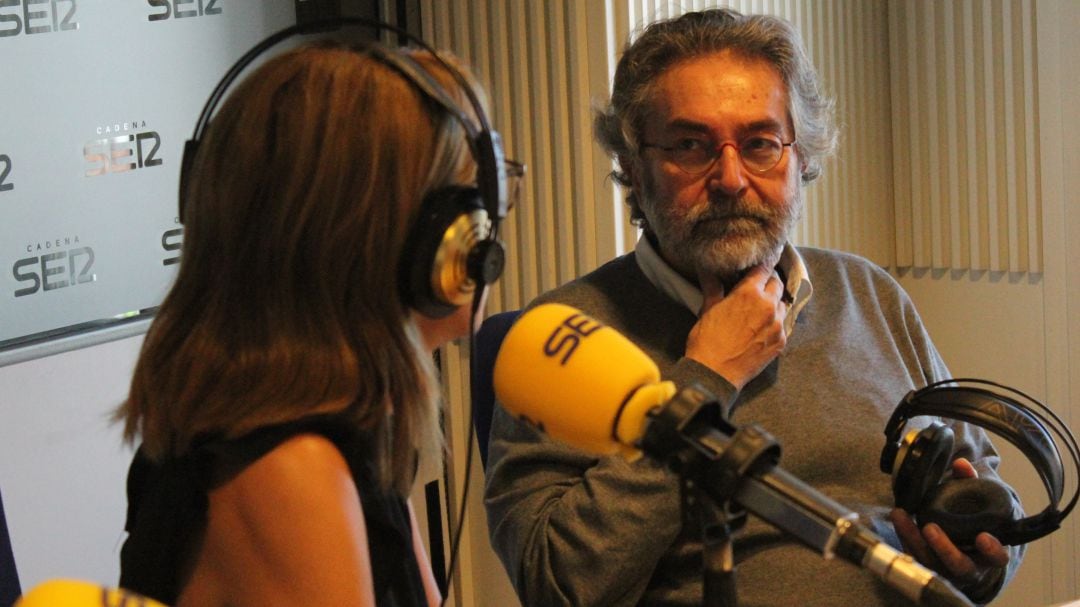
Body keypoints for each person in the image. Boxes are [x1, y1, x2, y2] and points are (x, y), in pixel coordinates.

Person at [484, 8, 1022, 607]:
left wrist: (981, 557)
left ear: (801, 158)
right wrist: (705, 382)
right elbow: (557, 585)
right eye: (691, 146)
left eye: (761, 143)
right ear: (635, 168)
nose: (731, 178)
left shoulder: (867, 292)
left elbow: (983, 483)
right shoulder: (564, 337)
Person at [115, 39, 521, 607]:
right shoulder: (290, 474)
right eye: (469, 199)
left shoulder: (354, 431)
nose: (484, 226)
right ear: (387, 235)